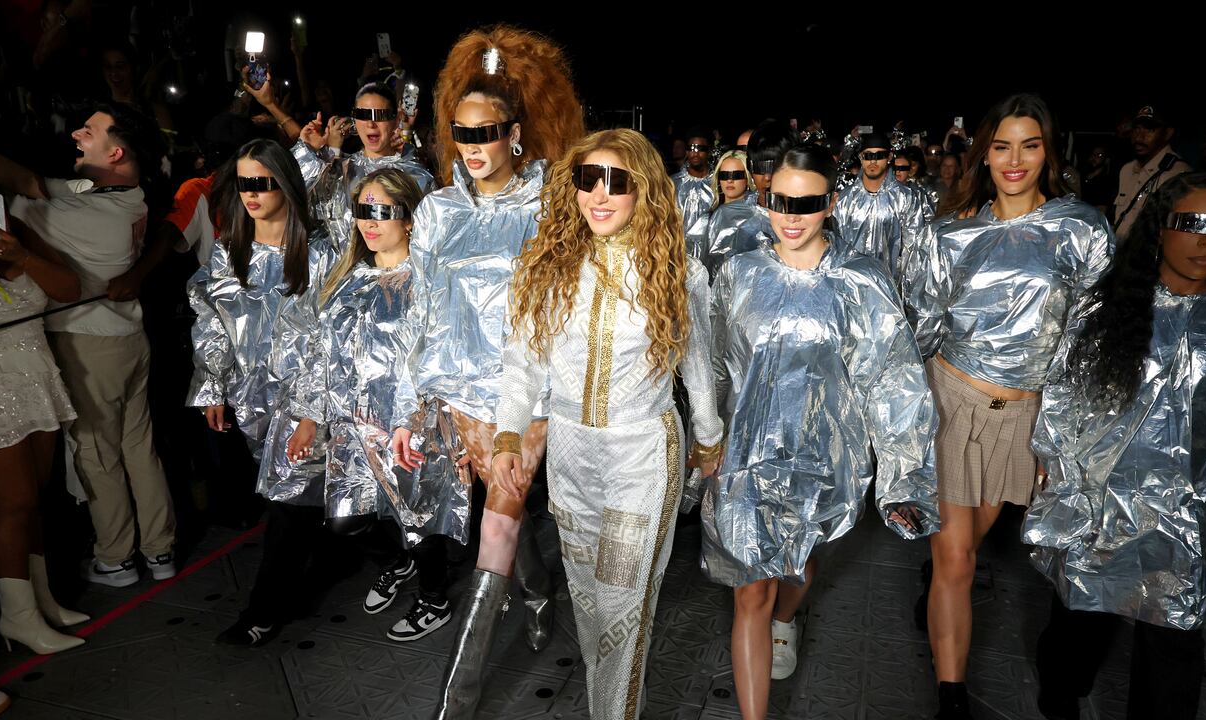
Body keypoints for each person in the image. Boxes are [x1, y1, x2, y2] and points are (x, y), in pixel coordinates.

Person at [386, 25, 584, 719]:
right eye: (462, 134)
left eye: (488, 132)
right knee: (506, 510)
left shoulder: (556, 203)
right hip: (463, 397)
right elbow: (423, 311)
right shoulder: (437, 211)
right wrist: (418, 404)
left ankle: (458, 695)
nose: (474, 148)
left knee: (494, 525)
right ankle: (537, 592)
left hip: (530, 396)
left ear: (516, 133)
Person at [1026, 173, 1206, 720]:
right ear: (1160, 229)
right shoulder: (1104, 311)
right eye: (1190, 224)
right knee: (1082, 623)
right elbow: (1065, 399)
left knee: (1175, 641)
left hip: (1187, 513)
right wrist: (1057, 474)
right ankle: (1060, 692)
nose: (1205, 241)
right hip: (1103, 504)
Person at [702, 143, 938, 720]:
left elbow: (894, 381)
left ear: (830, 202)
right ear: (766, 198)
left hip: (825, 460)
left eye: (806, 202)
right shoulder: (739, 273)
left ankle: (789, 617)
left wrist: (904, 478)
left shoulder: (861, 281)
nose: (791, 214)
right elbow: (712, 363)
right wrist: (706, 439)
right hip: (747, 459)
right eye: (780, 200)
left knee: (801, 566)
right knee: (751, 589)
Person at [494, 128, 723, 720]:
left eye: (616, 182)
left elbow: (699, 363)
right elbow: (521, 362)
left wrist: (709, 436)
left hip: (640, 460)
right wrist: (507, 435)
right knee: (592, 607)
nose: (598, 194)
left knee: (624, 613)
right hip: (571, 457)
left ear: (643, 190)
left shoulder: (677, 272)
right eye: (586, 179)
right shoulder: (548, 267)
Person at [905, 93, 1113, 720]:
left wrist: (1058, 435)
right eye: (1001, 146)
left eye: (1029, 144)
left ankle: (937, 594)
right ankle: (952, 696)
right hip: (952, 399)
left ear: (1049, 152)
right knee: (958, 555)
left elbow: (1087, 345)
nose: (1014, 159)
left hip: (1025, 414)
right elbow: (920, 328)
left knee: (967, 547)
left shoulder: (1081, 229)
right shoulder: (948, 233)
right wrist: (900, 424)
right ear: (983, 154)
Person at [0, 104, 177, 588]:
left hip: (90, 344)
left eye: (90, 131)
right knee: (139, 447)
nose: (76, 134)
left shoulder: (88, 214)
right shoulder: (133, 197)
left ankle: (116, 557)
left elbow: (19, 199)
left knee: (97, 452)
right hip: (129, 339)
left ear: (116, 151)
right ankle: (160, 550)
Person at [285, 168, 441, 642]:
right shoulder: (345, 280)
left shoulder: (429, 280)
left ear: (410, 219)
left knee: (419, 516)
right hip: (354, 429)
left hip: (410, 425)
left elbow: (436, 360)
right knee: (345, 521)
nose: (367, 222)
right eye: (360, 211)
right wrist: (310, 417)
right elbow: (322, 353)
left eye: (380, 212)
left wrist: (415, 422)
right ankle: (400, 563)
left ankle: (434, 599)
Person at [187, 138, 331, 646]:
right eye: (243, 182)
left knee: (288, 501)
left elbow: (332, 336)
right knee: (291, 501)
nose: (250, 193)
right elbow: (211, 323)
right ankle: (319, 565)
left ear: (286, 183)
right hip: (253, 403)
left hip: (307, 401)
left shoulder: (321, 251)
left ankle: (262, 610)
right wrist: (212, 388)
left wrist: (313, 411)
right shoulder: (230, 252)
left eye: (261, 181)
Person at [0, 218, 88, 655]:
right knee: (14, 505)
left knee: (36, 496)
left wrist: (20, 255)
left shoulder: (10, 228)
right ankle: (17, 617)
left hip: (37, 377)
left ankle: (40, 602)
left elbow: (69, 288)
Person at [293, 82, 435, 252]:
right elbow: (292, 199)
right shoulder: (339, 170)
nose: (371, 124)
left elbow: (430, 239)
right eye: (363, 114)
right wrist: (308, 152)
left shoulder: (417, 176)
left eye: (380, 115)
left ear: (396, 119)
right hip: (341, 274)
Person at [833, 131, 931, 283]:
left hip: (890, 288)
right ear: (861, 157)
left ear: (890, 157)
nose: (873, 161)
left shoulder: (905, 197)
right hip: (851, 286)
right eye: (868, 156)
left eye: (879, 155)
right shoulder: (845, 199)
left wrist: (904, 290)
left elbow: (913, 248)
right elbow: (837, 246)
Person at [702, 120, 794, 280]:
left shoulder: (808, 218)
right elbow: (710, 277)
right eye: (760, 167)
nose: (767, 177)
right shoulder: (726, 217)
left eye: (775, 166)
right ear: (750, 169)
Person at [1112, 105, 1190, 239]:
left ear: (1167, 133)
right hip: (1119, 252)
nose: (1139, 137)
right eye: (1137, 128)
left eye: (1150, 129)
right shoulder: (1126, 170)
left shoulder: (1178, 173)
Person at [685, 150, 753, 262]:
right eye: (724, 175)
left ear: (747, 178)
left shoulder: (758, 217)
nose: (730, 180)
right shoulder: (707, 220)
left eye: (736, 175)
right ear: (718, 179)